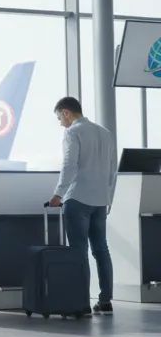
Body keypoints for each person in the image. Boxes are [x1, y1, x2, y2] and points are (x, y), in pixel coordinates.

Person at [48, 96, 117, 315]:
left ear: (66, 112)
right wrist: (109, 197)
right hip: (100, 200)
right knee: (101, 250)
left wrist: (58, 194)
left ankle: (82, 303)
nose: (60, 122)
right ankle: (105, 300)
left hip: (77, 198)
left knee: (79, 252)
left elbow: (69, 165)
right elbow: (112, 170)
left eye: (60, 117)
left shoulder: (72, 132)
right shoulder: (105, 133)